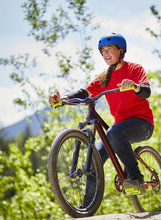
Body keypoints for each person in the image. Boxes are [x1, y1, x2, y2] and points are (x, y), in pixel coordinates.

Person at [49, 33, 154, 205]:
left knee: (114, 131)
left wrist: (133, 86)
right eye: (103, 51)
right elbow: (84, 92)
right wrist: (63, 99)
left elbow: (146, 91)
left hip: (142, 123)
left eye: (109, 49)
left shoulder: (134, 69)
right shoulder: (104, 77)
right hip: (119, 129)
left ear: (121, 51)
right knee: (94, 159)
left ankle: (136, 178)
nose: (105, 53)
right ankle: (86, 206)